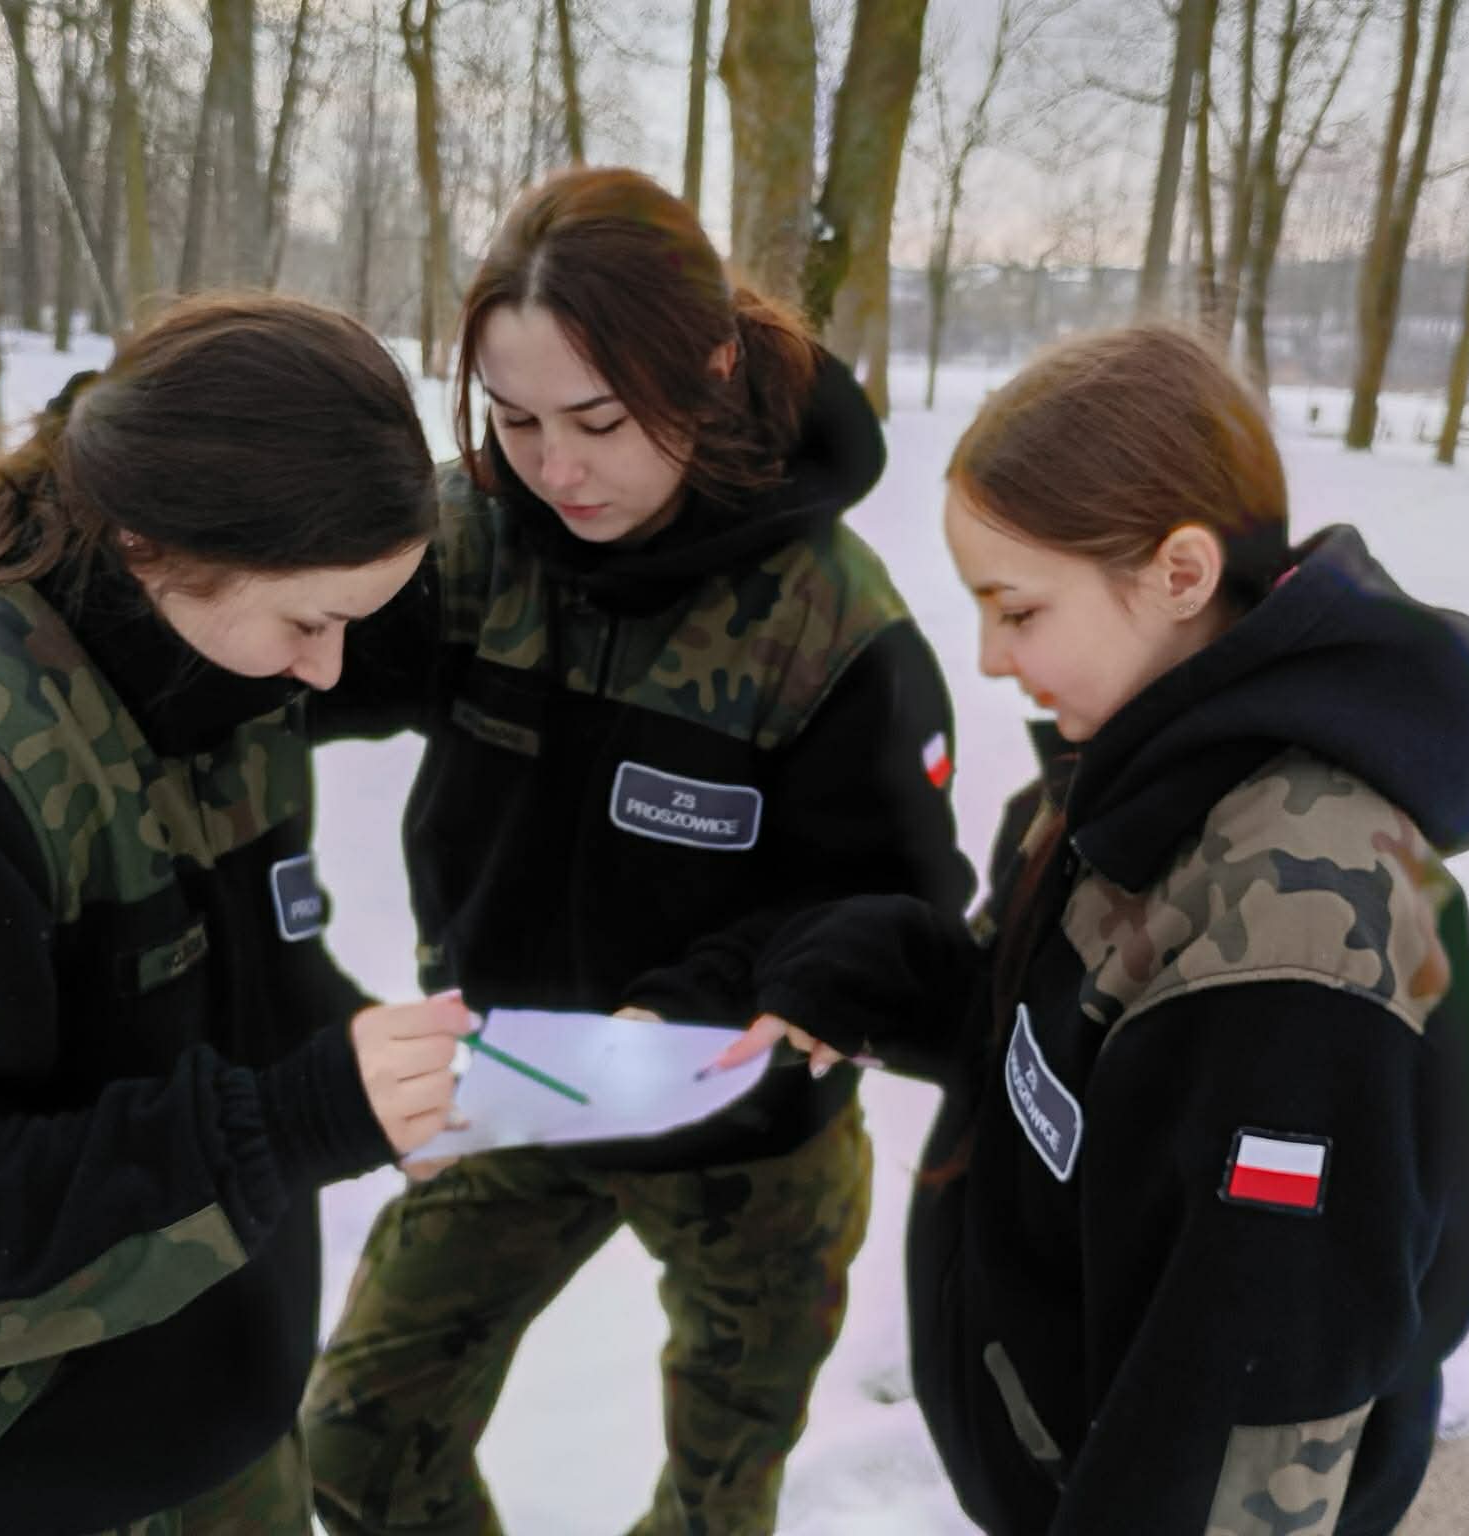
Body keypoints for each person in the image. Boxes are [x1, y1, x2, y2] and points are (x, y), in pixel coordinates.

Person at [722, 325, 1469, 1535]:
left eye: (1019, 608)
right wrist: (879, 975)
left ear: (1180, 574)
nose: (992, 659)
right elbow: (1064, 1040)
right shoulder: (1138, 772)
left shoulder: (1298, 938)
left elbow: (1251, 1424)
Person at [0, 294, 474, 1535]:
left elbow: (223, 1003)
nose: (331, 673)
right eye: (312, 622)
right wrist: (293, 1119)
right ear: (153, 544)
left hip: (214, 1452)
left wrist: (412, 1072)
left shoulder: (213, 679)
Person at [302, 166, 974, 1536]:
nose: (556, 469)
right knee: (359, 1445)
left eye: (598, 421)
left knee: (715, 1505)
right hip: (520, 1084)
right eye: (516, 418)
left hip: (747, 1131)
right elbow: (289, 657)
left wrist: (694, 1008)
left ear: (712, 366)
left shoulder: (832, 627)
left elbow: (893, 905)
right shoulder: (475, 542)